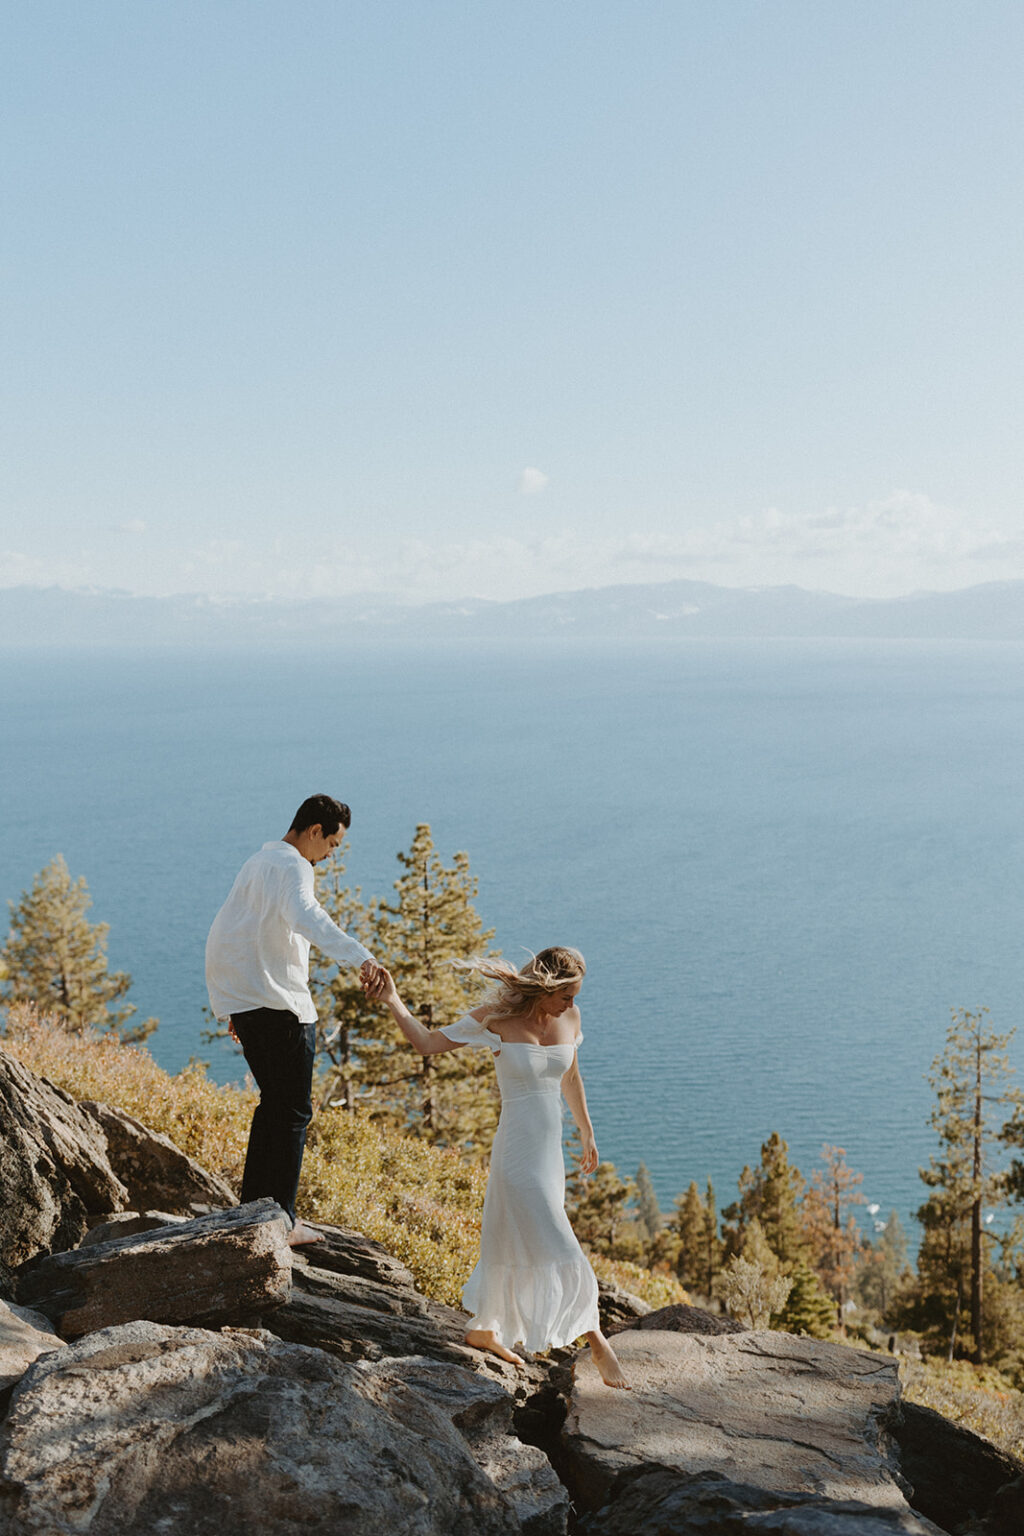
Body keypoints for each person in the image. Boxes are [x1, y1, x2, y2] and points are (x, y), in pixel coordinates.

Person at [363, 946, 628, 1387]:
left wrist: (587, 1131)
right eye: (566, 996)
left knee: (509, 1238)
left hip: (548, 1155)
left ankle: (485, 1328)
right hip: (516, 1153)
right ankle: (597, 1340)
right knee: (560, 1242)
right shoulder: (496, 1021)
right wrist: (393, 999)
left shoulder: (571, 1020)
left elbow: (570, 1076)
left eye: (575, 997)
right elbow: (426, 1042)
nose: (572, 1005)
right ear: (544, 990)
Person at [206, 794, 379, 1247]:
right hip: (282, 1010)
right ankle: (281, 1220)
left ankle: (254, 1214)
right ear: (315, 830)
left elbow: (224, 934)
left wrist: (232, 1005)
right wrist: (361, 958)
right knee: (293, 1112)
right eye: (333, 844)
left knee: (274, 1108)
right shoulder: (295, 867)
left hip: (251, 1005)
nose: (331, 855)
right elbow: (309, 918)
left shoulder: (258, 863)